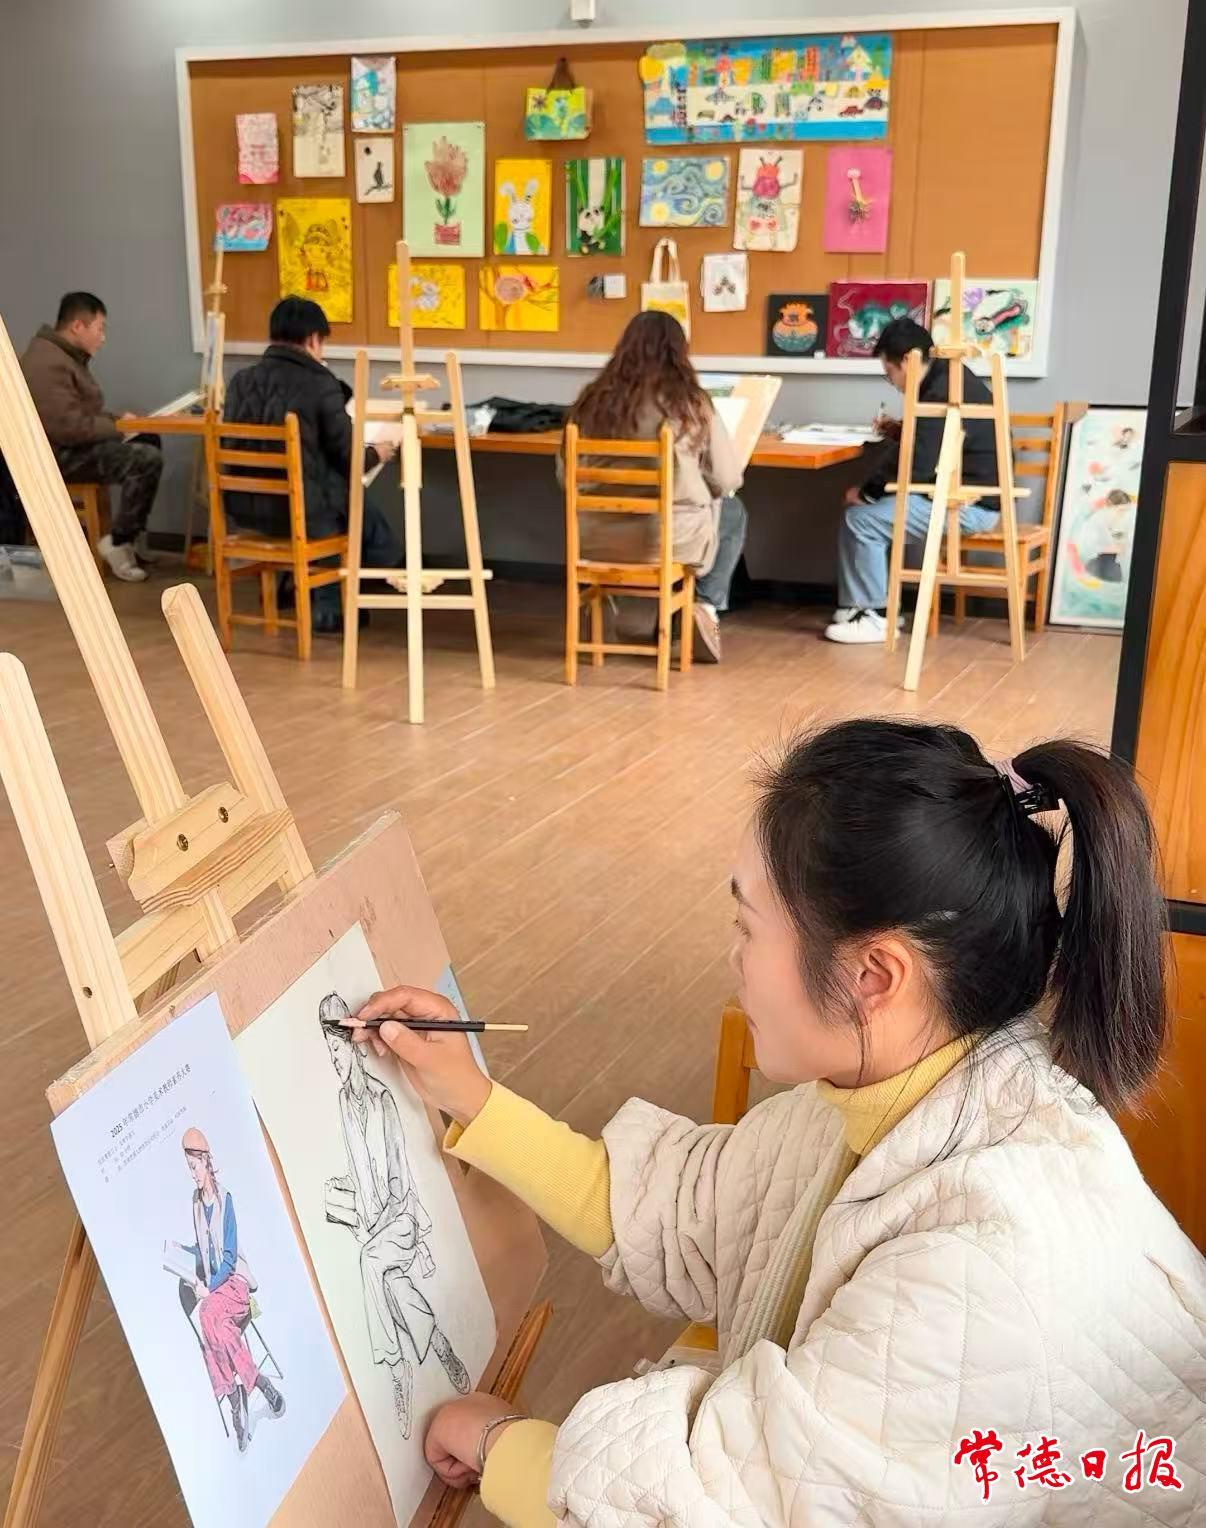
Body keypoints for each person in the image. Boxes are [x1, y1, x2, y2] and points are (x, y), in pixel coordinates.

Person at [349, 719, 1205, 1525]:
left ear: (874, 977)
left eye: (747, 926)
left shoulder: (979, 1260)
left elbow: (728, 1509)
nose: (733, 957)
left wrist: (500, 1444)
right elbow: (677, 1208)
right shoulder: (904, 1090)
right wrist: (468, 1092)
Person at [319, 995, 470, 1439]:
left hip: (400, 1219)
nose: (333, 1060)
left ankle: (396, 1367)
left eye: (336, 1049)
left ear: (352, 1045)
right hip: (374, 1224)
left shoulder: (383, 1099)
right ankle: (437, 1340)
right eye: (328, 1051)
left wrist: (382, 1222)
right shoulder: (343, 1103)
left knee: (370, 1262)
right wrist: (346, 1198)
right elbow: (358, 1167)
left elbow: (400, 1178)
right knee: (389, 1281)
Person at [560, 310, 746, 663]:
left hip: (595, 538)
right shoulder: (690, 403)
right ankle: (703, 606)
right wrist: (698, 483)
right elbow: (727, 479)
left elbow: (564, 477)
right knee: (733, 511)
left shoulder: (589, 401)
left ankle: (604, 604)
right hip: (664, 539)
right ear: (679, 352)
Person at [222, 297, 401, 633]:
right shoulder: (320, 384)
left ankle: (300, 584)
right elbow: (350, 457)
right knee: (353, 507)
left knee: (329, 494)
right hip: (298, 512)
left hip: (244, 507)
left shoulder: (239, 382)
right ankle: (331, 604)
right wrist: (378, 452)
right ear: (313, 339)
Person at [825, 317, 1000, 644]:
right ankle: (860, 606)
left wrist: (868, 492)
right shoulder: (949, 377)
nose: (892, 382)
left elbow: (919, 462)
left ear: (908, 360)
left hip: (970, 506)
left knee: (861, 520)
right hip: (960, 495)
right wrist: (900, 431)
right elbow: (932, 445)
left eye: (889, 372)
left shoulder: (941, 393)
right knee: (861, 514)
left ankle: (875, 616)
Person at [21, 293, 163, 583]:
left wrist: (119, 421)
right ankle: (118, 542)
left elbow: (81, 414)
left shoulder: (64, 356)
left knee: (148, 439)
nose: (103, 337)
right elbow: (69, 428)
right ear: (77, 326)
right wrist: (118, 427)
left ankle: (130, 536)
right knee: (145, 459)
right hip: (56, 456)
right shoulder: (47, 362)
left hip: (70, 445)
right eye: (99, 328)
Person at [177, 1126, 285, 1452]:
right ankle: (256, 1385)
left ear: (206, 1161)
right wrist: (181, 1255)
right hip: (216, 1297)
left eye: (194, 1167)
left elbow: (226, 1258)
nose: (192, 1174)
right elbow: (204, 1250)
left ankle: (240, 1397)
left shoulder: (226, 1201)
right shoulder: (195, 1203)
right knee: (215, 1326)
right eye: (189, 1169)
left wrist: (209, 1289)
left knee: (207, 1316)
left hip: (234, 1285)